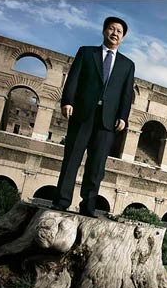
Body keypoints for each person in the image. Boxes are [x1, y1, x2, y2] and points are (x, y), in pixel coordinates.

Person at [51, 16, 135, 218]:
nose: (115, 33)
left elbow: (126, 93)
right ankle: (61, 201)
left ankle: (88, 206)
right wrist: (67, 101)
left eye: (119, 31)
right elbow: (74, 77)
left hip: (107, 120)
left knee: (97, 165)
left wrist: (123, 116)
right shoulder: (86, 52)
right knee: (72, 158)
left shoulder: (127, 64)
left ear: (122, 38)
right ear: (104, 31)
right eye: (111, 29)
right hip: (83, 113)